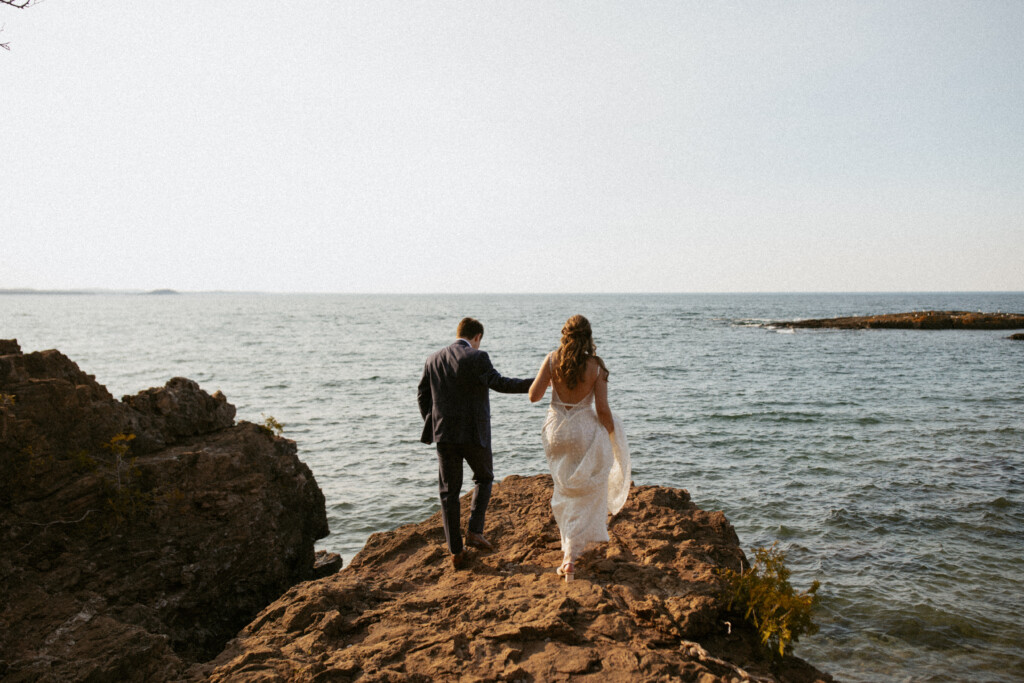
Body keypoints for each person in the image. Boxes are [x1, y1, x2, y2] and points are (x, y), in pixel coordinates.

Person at [418, 317, 533, 570]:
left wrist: (434, 421)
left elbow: (422, 396)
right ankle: (474, 531)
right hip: (473, 434)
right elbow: (500, 383)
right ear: (477, 337)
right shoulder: (478, 357)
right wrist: (536, 384)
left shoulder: (433, 359)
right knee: (484, 477)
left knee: (449, 493)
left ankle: (455, 551)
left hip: (444, 435)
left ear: (458, 333)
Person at [529, 314, 630, 582]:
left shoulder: (552, 359)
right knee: (587, 489)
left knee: (564, 489)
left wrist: (551, 379)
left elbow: (533, 396)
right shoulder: (596, 367)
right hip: (582, 431)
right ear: (588, 336)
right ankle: (570, 557)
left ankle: (568, 551)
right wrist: (613, 435)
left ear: (565, 335)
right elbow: (603, 410)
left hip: (556, 431)